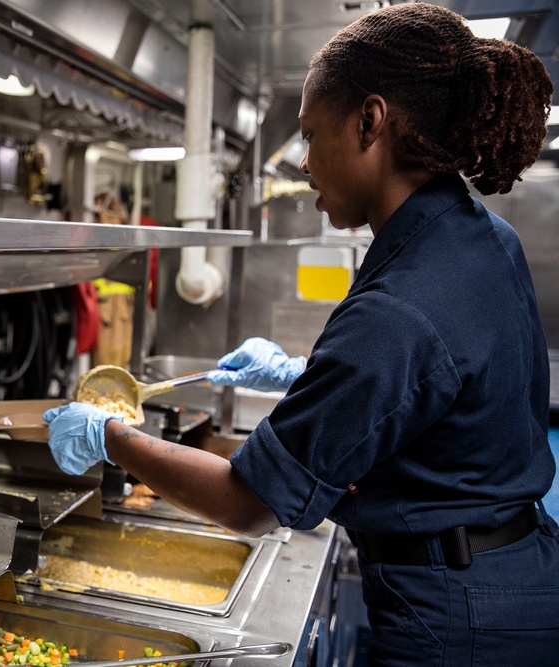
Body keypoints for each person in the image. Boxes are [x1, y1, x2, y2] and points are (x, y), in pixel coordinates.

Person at [43, 4, 558, 665]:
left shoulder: (397, 310)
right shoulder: (482, 236)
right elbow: (448, 376)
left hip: (460, 612)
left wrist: (109, 436)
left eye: (311, 135)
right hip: (517, 565)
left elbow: (249, 501)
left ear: (370, 122)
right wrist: (308, 374)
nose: (306, 164)